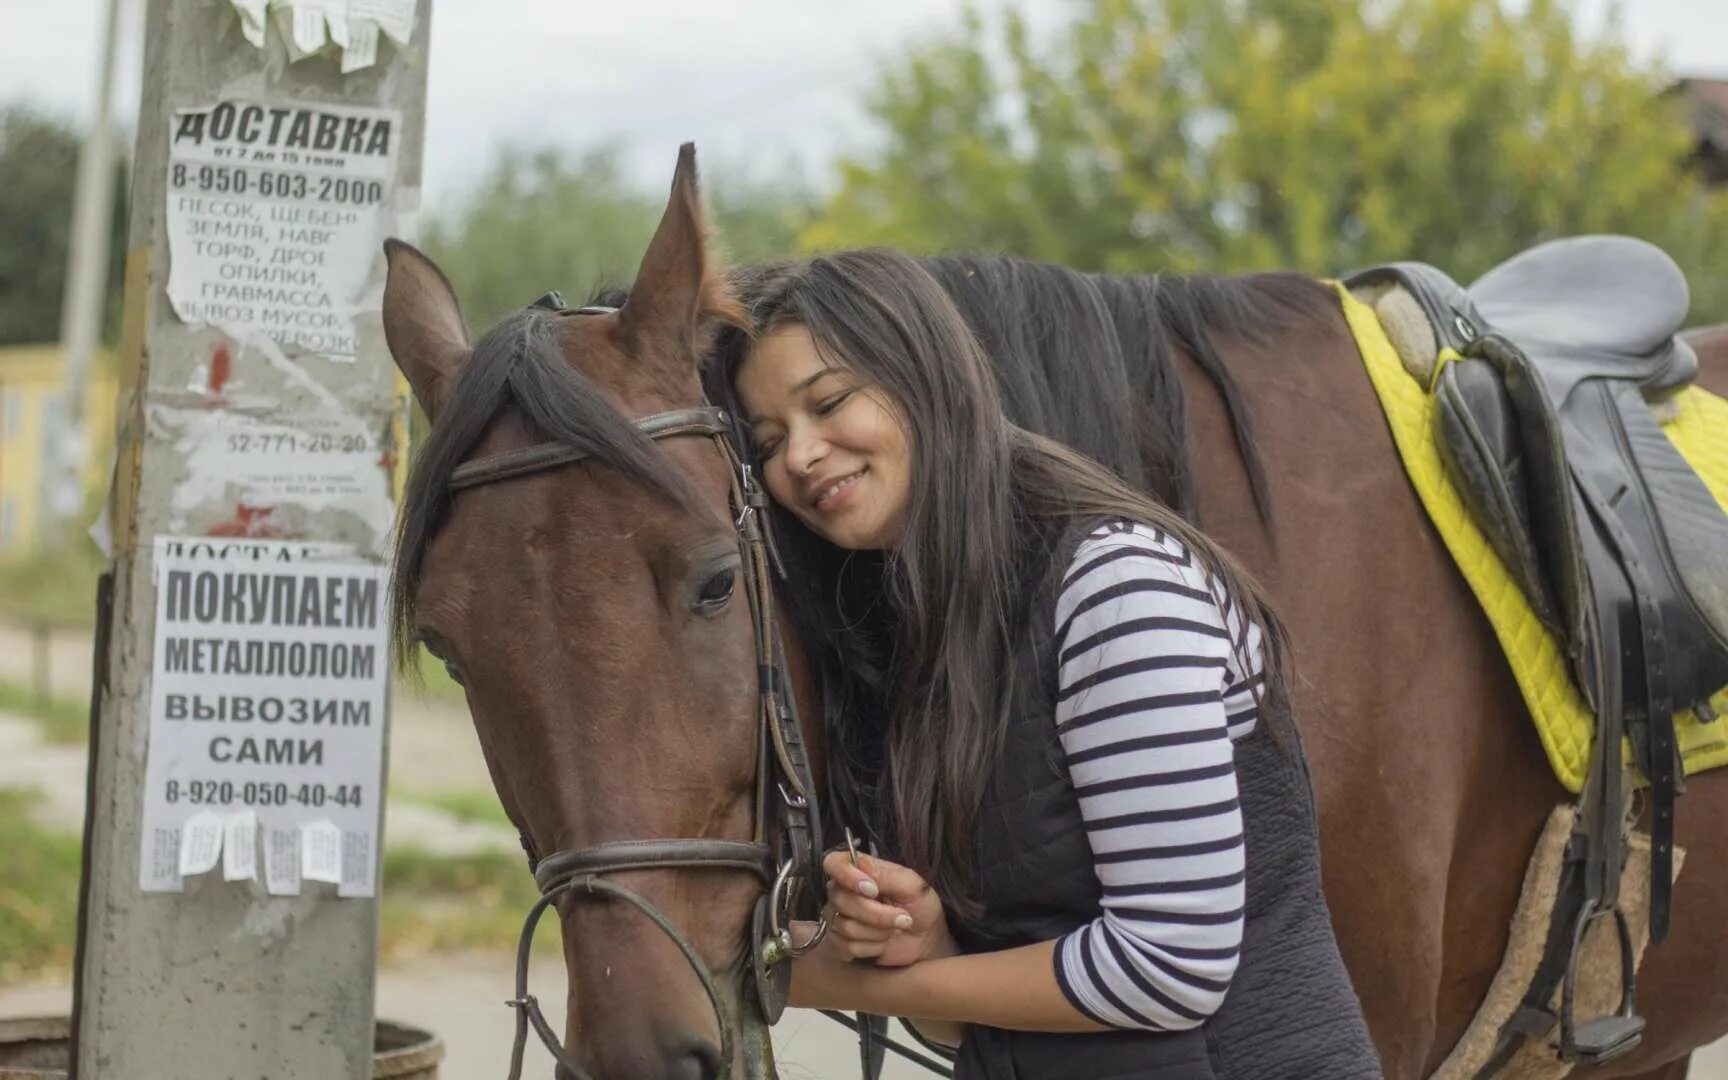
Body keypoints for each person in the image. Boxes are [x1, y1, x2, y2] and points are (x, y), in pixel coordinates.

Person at [713, 249, 1379, 1079]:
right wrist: (934, 939)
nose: (801, 457)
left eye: (831, 401)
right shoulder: (921, 629)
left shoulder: (1113, 583)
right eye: (771, 441)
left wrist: (828, 980)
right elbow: (990, 1027)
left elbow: (1170, 968)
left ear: (927, 377)